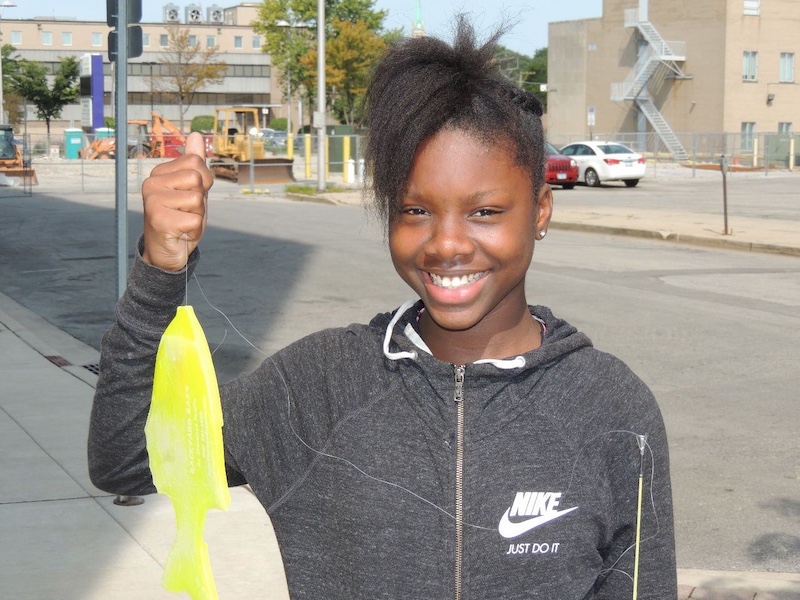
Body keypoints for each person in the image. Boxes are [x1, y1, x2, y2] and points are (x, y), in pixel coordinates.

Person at [89, 18, 677, 599]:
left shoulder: (610, 407)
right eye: (415, 210)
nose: (446, 244)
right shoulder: (319, 384)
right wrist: (159, 273)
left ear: (541, 210)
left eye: (485, 212)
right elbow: (126, 461)